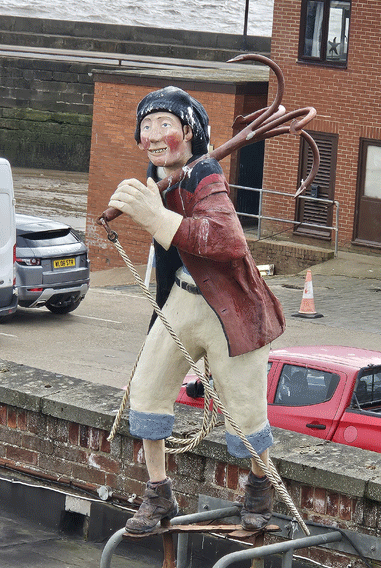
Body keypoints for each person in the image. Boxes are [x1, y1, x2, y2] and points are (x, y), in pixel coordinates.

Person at [109, 86, 285, 534]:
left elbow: (228, 241)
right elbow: (168, 256)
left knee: (245, 410)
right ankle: (158, 492)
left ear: (189, 132)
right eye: (146, 125)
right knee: (147, 390)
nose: (152, 134)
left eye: (164, 124)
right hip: (182, 300)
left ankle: (259, 488)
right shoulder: (158, 178)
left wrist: (156, 217)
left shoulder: (205, 176)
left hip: (232, 310)